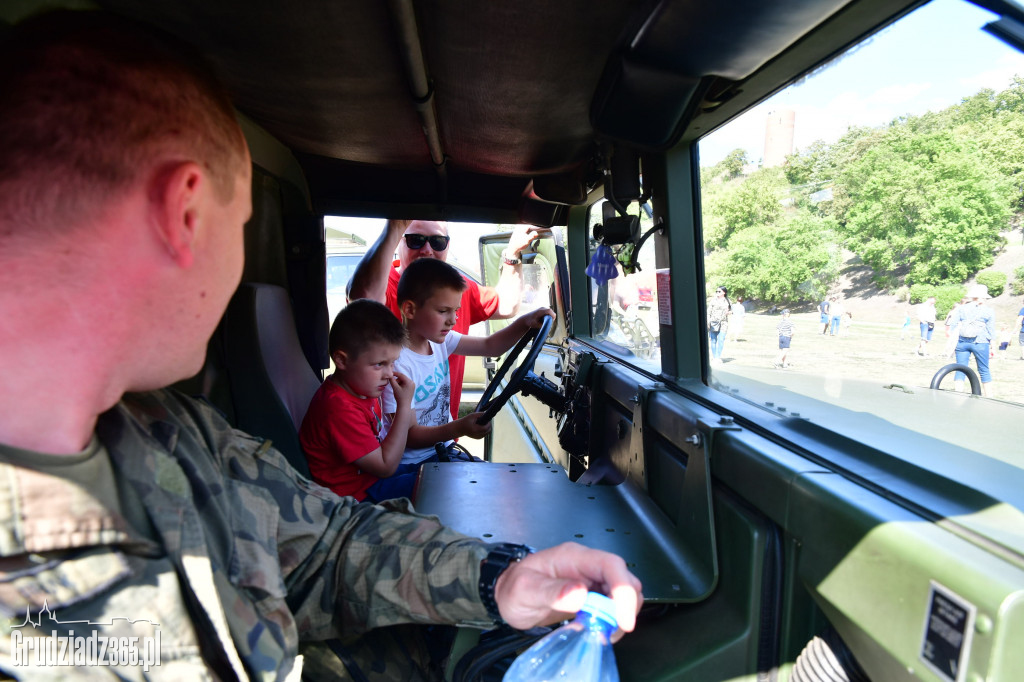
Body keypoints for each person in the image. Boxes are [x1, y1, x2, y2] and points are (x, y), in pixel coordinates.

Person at [0, 12, 642, 678]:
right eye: (241, 227)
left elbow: (325, 547)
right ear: (185, 213)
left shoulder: (174, 432)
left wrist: (496, 582)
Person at [348, 218, 546, 419]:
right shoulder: (386, 285)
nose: (427, 249)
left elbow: (504, 308)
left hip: (443, 440)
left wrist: (512, 255)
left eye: (437, 242)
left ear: (448, 245)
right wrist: (395, 227)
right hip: (407, 444)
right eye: (415, 240)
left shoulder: (454, 291)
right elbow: (363, 298)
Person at [383, 258, 555, 467]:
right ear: (410, 310)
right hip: (413, 464)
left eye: (456, 310)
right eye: (443, 311)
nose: (453, 320)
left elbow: (490, 346)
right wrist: (459, 428)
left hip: (442, 451)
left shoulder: (440, 342)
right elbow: (409, 436)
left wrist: (524, 323)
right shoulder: (397, 365)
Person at [299, 299, 421, 502]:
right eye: (379, 364)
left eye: (392, 363)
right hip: (353, 497)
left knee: (437, 470)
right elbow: (385, 467)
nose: (389, 374)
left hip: (369, 480)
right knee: (434, 487)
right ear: (342, 360)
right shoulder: (338, 408)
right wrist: (404, 406)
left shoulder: (361, 388)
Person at [952, 285, 997, 396]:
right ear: (982, 298)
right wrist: (994, 346)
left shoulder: (961, 308)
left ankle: (958, 394)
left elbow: (953, 324)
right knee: (984, 370)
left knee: (960, 368)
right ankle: (989, 396)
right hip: (980, 343)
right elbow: (991, 330)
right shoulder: (988, 311)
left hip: (962, 342)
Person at [707, 286, 731, 366]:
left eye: (719, 291)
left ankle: (718, 357)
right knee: (713, 340)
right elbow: (708, 312)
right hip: (713, 322)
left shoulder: (727, 301)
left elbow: (732, 310)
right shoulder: (713, 301)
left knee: (721, 339)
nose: (717, 293)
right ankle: (714, 357)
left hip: (723, 323)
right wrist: (708, 322)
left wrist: (729, 312)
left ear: (724, 292)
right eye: (716, 291)